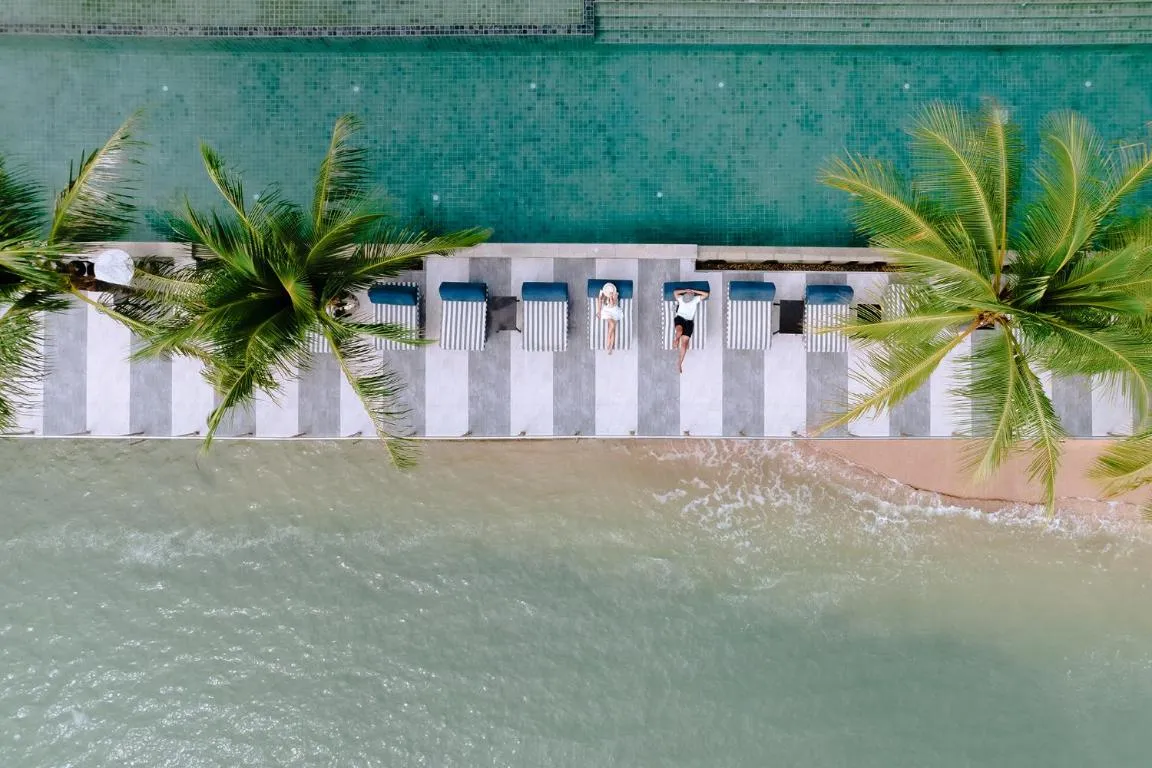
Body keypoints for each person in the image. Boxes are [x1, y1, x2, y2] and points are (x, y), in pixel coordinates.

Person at [672, 286, 708, 373]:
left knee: (684, 345)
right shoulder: (681, 298)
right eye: (688, 293)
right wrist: (685, 290)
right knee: (679, 331)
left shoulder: (695, 299)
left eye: (691, 294)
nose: (689, 294)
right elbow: (675, 292)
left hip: (689, 322)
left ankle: (679, 364)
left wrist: (694, 291)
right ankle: (676, 339)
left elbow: (706, 294)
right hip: (680, 318)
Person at [596, 282, 624, 354]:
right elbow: (599, 302)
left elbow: (612, 305)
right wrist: (599, 311)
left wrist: (611, 297)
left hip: (614, 311)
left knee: (612, 328)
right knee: (612, 325)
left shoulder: (615, 294)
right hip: (607, 311)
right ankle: (609, 340)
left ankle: (610, 346)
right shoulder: (602, 293)